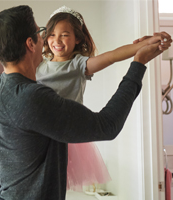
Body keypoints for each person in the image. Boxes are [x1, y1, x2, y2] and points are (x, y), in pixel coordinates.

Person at [0, 5, 171, 200]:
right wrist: (138, 63)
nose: (48, 39)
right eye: (42, 33)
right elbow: (107, 126)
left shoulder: (0, 84)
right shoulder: (33, 98)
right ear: (31, 44)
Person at [35, 5, 171, 191]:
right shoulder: (39, 66)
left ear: (77, 39)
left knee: (54, 183)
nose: (56, 40)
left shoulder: (78, 64)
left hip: (65, 129)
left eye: (64, 34)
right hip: (39, 130)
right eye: (51, 35)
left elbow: (111, 57)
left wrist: (143, 46)